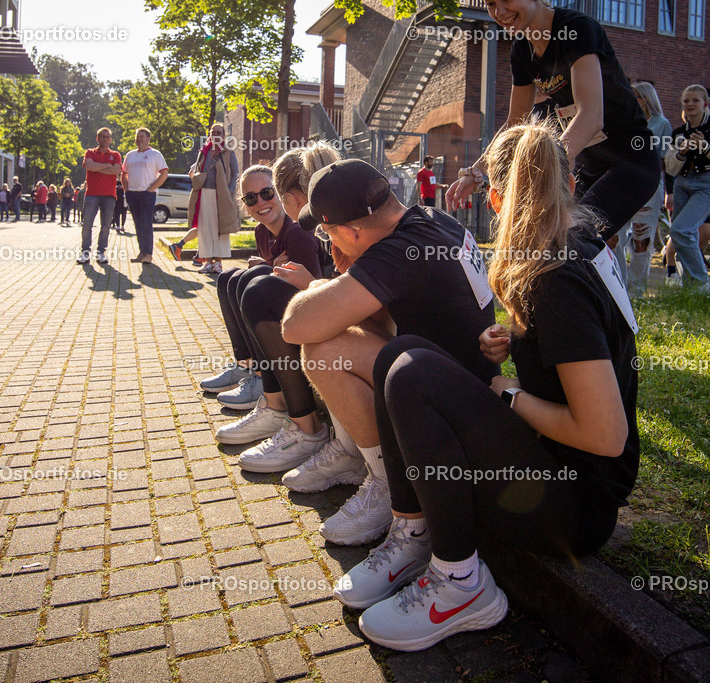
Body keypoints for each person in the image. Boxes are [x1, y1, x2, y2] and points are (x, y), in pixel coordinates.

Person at [336, 121, 639, 652]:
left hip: (575, 507)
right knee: (399, 354)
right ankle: (415, 531)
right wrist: (515, 342)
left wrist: (508, 393)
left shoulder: (555, 279)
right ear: (569, 185)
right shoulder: (579, 246)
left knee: (412, 375)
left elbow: (605, 435)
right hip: (559, 470)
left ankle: (461, 583)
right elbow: (590, 351)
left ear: (495, 199)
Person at [280, 159, 498, 547]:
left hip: (455, 416)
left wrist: (319, 287)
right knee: (343, 331)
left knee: (323, 350)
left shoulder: (398, 251)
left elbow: (295, 326)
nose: (329, 243)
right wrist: (348, 277)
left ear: (351, 230)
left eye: (329, 233)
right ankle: (363, 460)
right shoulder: (429, 219)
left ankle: (388, 482)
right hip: (462, 381)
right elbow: (379, 319)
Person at [447, 0, 660, 244]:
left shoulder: (576, 29)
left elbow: (591, 116)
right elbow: (515, 122)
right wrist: (476, 172)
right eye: (491, 3)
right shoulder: (521, 50)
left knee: (572, 241)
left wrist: (546, 166)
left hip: (632, 161)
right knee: (545, 239)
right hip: (586, 167)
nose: (499, 12)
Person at [197, 163, 333, 472]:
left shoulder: (297, 232)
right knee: (231, 278)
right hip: (291, 313)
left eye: (267, 193)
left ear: (281, 195)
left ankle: (279, 401)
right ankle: (250, 369)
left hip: (315, 314)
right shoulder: (262, 232)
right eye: (251, 198)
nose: (260, 202)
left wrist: (268, 269)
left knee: (255, 284)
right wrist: (269, 266)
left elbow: (313, 288)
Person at [662, 84, 710, 292]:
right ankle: (692, 290)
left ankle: (702, 283)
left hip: (708, 183)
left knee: (680, 230)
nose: (690, 104)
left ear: (705, 103)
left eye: (695, 100)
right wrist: (682, 152)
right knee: (685, 235)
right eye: (686, 100)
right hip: (682, 183)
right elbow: (670, 168)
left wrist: (705, 147)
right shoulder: (679, 132)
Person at [621, 82, 671, 295]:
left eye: (637, 97)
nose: (633, 101)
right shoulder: (624, 121)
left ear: (647, 98)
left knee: (642, 239)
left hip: (649, 187)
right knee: (616, 236)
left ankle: (636, 290)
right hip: (621, 184)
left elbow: (664, 160)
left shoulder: (662, 124)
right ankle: (619, 287)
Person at [188, 123, 239, 274]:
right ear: (210, 135)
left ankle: (218, 262)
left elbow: (235, 174)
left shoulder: (229, 153)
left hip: (221, 195)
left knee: (220, 228)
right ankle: (208, 262)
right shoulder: (203, 152)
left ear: (223, 136)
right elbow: (196, 169)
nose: (216, 135)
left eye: (219, 132)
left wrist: (230, 191)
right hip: (204, 194)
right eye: (213, 132)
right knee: (205, 228)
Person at [122, 127, 169, 264]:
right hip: (132, 194)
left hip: (147, 194)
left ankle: (148, 254)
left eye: (142, 136)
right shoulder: (130, 155)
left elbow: (164, 173)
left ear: (148, 139)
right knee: (137, 224)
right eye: (137, 136)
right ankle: (141, 253)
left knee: (146, 223)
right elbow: (124, 173)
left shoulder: (155, 154)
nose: (139, 139)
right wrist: (126, 190)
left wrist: (151, 189)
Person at [78, 128, 121, 265]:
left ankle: (101, 252)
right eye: (102, 136)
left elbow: (116, 169)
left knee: (105, 226)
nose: (105, 139)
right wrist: (107, 165)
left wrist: (98, 167)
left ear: (110, 139)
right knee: (87, 225)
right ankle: (85, 252)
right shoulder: (90, 152)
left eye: (107, 137)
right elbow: (89, 166)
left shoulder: (115, 155)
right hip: (92, 194)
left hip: (109, 195)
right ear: (97, 138)